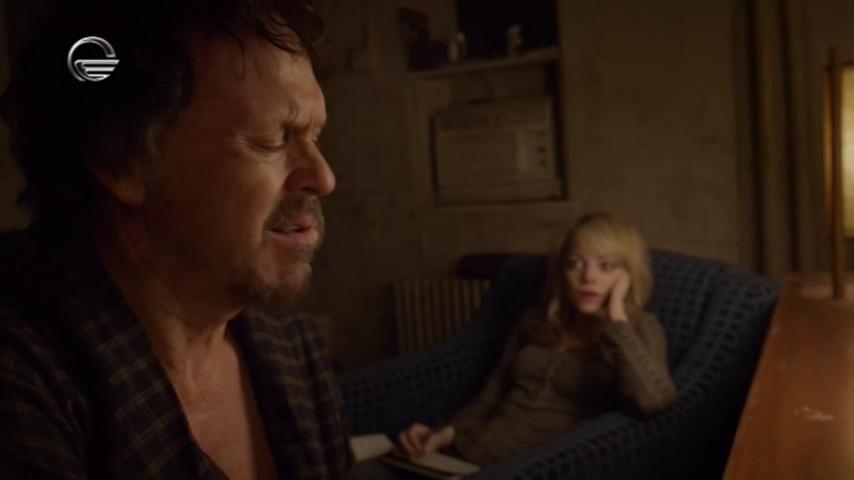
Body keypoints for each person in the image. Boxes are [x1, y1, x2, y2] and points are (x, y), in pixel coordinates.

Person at [0, 1, 352, 478]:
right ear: (122, 160)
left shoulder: (292, 345)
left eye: (315, 137)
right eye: (272, 139)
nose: (324, 178)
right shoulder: (25, 380)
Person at [397, 213, 678, 467]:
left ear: (627, 275)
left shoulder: (640, 328)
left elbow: (653, 401)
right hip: (469, 451)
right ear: (562, 273)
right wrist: (446, 433)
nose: (588, 277)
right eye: (575, 263)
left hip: (536, 468)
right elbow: (492, 394)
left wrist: (616, 320)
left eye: (606, 266)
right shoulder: (536, 319)